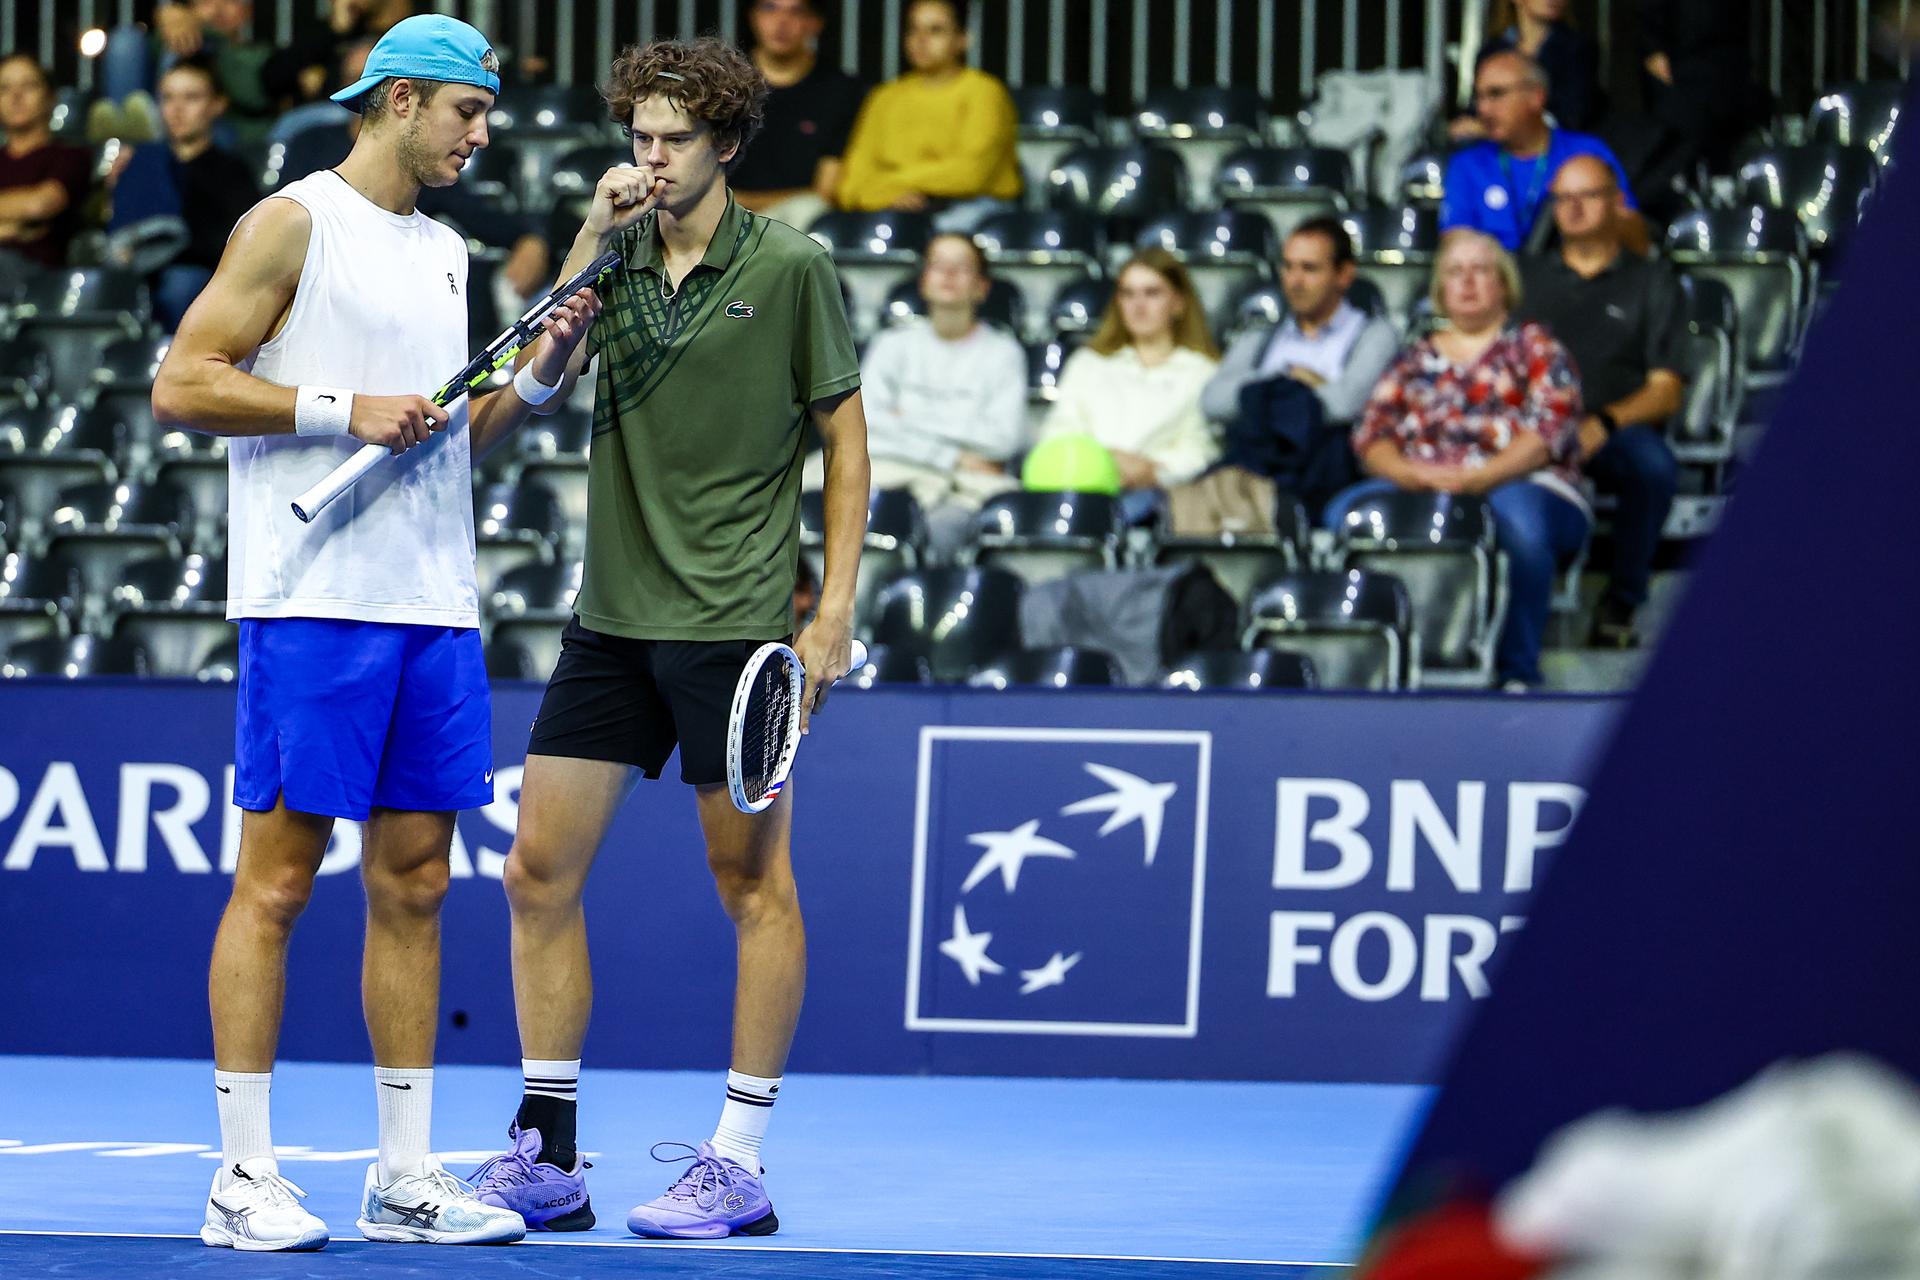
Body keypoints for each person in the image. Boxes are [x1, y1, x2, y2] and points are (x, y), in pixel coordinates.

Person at [149, 14, 601, 1250]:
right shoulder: (290, 221)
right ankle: (242, 1176)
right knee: (279, 881)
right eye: (469, 112)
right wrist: (341, 406)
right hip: (312, 603)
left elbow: (451, 434)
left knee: (415, 883)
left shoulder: (447, 251)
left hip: (431, 605)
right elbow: (183, 380)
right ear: (401, 100)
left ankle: (402, 1174)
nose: (482, 135)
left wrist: (539, 376)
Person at [462, 37, 868, 1240]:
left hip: (734, 631)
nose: (652, 158)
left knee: (751, 884)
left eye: (676, 139)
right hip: (609, 623)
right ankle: (550, 1154)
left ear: (726, 144)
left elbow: (846, 443)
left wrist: (833, 609)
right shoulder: (615, 254)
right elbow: (521, 389)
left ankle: (737, 1161)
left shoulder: (791, 266)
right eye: (639, 137)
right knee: (535, 873)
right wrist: (590, 240)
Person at [1328, 230, 1588, 690]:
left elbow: (1548, 432)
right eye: (1455, 272)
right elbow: (1372, 436)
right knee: (1344, 514)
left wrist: (1480, 477)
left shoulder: (1537, 348)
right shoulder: (1413, 358)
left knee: (1523, 528)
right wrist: (1413, 474)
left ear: (1503, 284)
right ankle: (1366, 663)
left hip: (1521, 481)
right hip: (1421, 482)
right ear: (1440, 289)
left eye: (1480, 270)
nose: (1467, 282)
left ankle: (1517, 673)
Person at [1519, 155, 1683, 649]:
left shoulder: (1652, 281)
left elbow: (1666, 389)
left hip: (1613, 428)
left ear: (1616, 203)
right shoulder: (1524, 276)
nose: (1572, 208)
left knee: (1653, 466)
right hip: (1527, 425)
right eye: (1562, 198)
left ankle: (1621, 602)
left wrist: (1606, 422)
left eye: (1587, 196)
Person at [810, 231, 1023, 556]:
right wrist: (951, 455)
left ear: (982, 286)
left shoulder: (1004, 353)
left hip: (961, 490)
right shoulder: (891, 344)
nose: (948, 274)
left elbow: (1001, 440)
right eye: (938, 264)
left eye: (962, 266)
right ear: (923, 281)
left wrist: (906, 417)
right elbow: (865, 423)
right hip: (890, 471)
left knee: (938, 530)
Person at [1038, 248, 1220, 519]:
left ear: (1179, 303)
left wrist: (1152, 470)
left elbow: (1202, 449)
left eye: (1152, 293)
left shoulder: (1203, 372)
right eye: (1128, 294)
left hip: (1162, 495)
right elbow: (1058, 430)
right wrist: (1103, 461)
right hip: (1081, 485)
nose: (1138, 305)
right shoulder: (1088, 363)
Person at [834, 0, 1019, 233]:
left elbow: (971, 174)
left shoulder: (985, 92)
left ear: (962, 39)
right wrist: (887, 196)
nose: (921, 40)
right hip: (893, 209)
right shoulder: (884, 97)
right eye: (913, 29)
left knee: (936, 237)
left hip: (973, 207)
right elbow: (851, 183)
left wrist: (889, 184)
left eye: (935, 30)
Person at [1202, 217, 1401, 432]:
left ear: (1344, 275)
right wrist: (1289, 379)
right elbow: (1213, 400)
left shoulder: (1375, 335)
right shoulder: (1259, 336)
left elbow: (1346, 404)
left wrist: (1257, 396)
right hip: (1260, 450)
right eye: (1288, 266)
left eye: (1309, 268)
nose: (1295, 281)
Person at [107, 57, 260, 330]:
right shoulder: (141, 165)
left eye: (191, 98)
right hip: (137, 275)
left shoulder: (232, 171)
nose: (177, 110)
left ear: (218, 105)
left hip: (197, 281)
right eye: (168, 98)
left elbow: (235, 247)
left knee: (180, 283)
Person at [1441, 50, 1641, 255]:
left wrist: (1591, 215)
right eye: (1479, 97)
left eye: (1496, 94)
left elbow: (1636, 235)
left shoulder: (1586, 152)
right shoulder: (1467, 163)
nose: (1483, 109)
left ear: (1536, 97)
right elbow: (1455, 245)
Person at [730, 0, 867, 229]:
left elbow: (825, 192)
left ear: (816, 23)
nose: (781, 22)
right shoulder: (720, 82)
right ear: (752, 16)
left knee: (810, 209)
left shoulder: (840, 90)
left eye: (796, 11)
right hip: (720, 214)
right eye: (770, 8)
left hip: (795, 220)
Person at [1453, 0, 1601, 138]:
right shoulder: (1491, 51)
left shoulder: (1578, 49)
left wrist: (1489, 128)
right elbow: (1479, 106)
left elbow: (1572, 117)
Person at [0, 54, 93, 271]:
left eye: (28, 86)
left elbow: (39, 205)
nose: (15, 96)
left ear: (51, 97)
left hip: (39, 275)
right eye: (4, 88)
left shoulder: (71, 156)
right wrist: (11, 228)